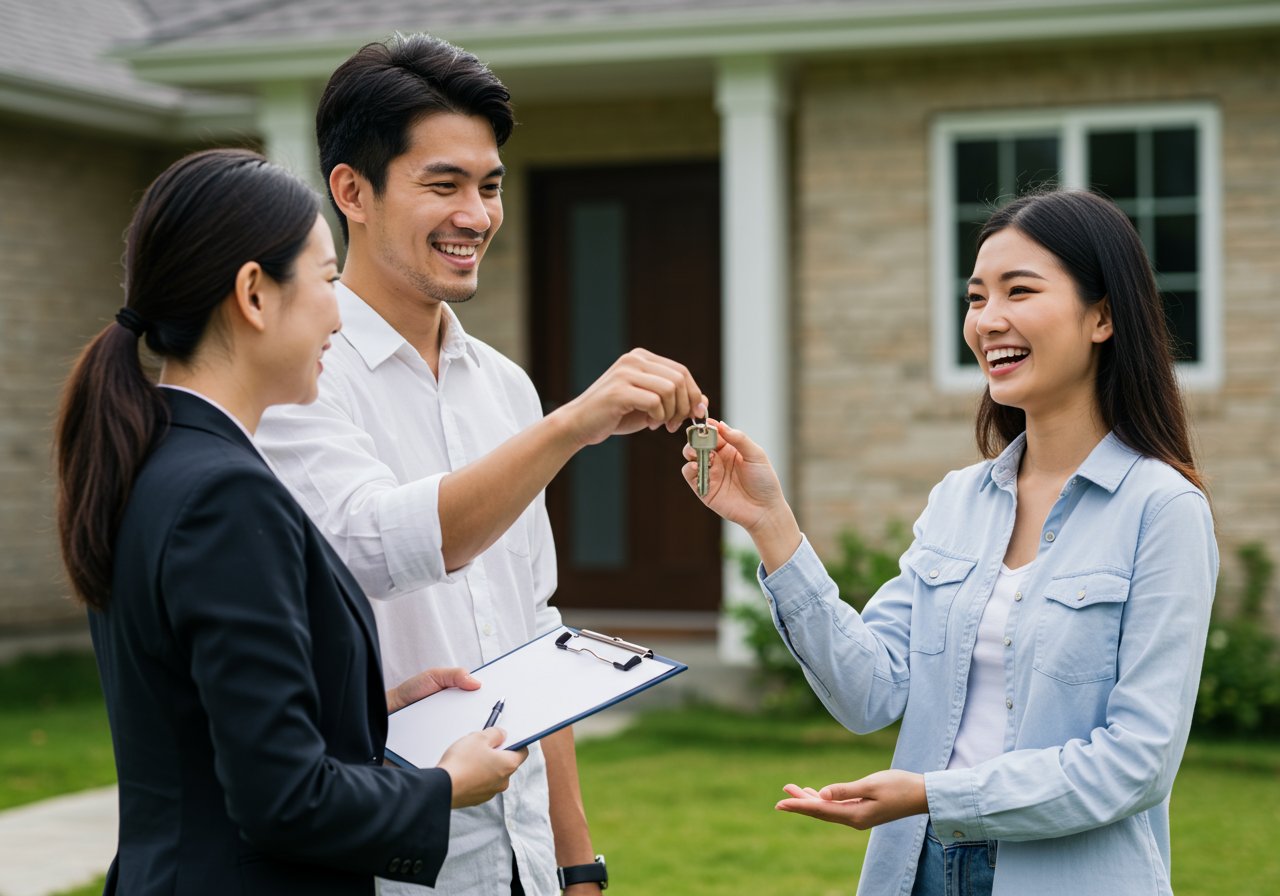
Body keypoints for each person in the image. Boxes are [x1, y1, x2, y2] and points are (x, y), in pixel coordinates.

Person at [255, 34, 706, 896]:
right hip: (388, 864)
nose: (476, 215)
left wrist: (576, 863)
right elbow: (382, 543)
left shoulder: (504, 386)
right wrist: (574, 425)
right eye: (443, 185)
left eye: (490, 186)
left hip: (522, 855)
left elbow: (533, 632)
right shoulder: (296, 379)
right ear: (351, 192)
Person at [683, 189, 1217, 896]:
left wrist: (936, 794)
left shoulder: (1163, 510)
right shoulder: (958, 501)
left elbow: (1137, 764)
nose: (988, 320)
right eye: (975, 297)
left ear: (1103, 316)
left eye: (1019, 291)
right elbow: (869, 692)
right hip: (919, 868)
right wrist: (770, 524)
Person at [54, 148, 528, 896]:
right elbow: (284, 802)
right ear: (254, 294)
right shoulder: (225, 497)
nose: (339, 314)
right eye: (328, 280)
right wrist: (443, 786)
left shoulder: (155, 460)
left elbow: (206, 720)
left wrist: (365, 714)